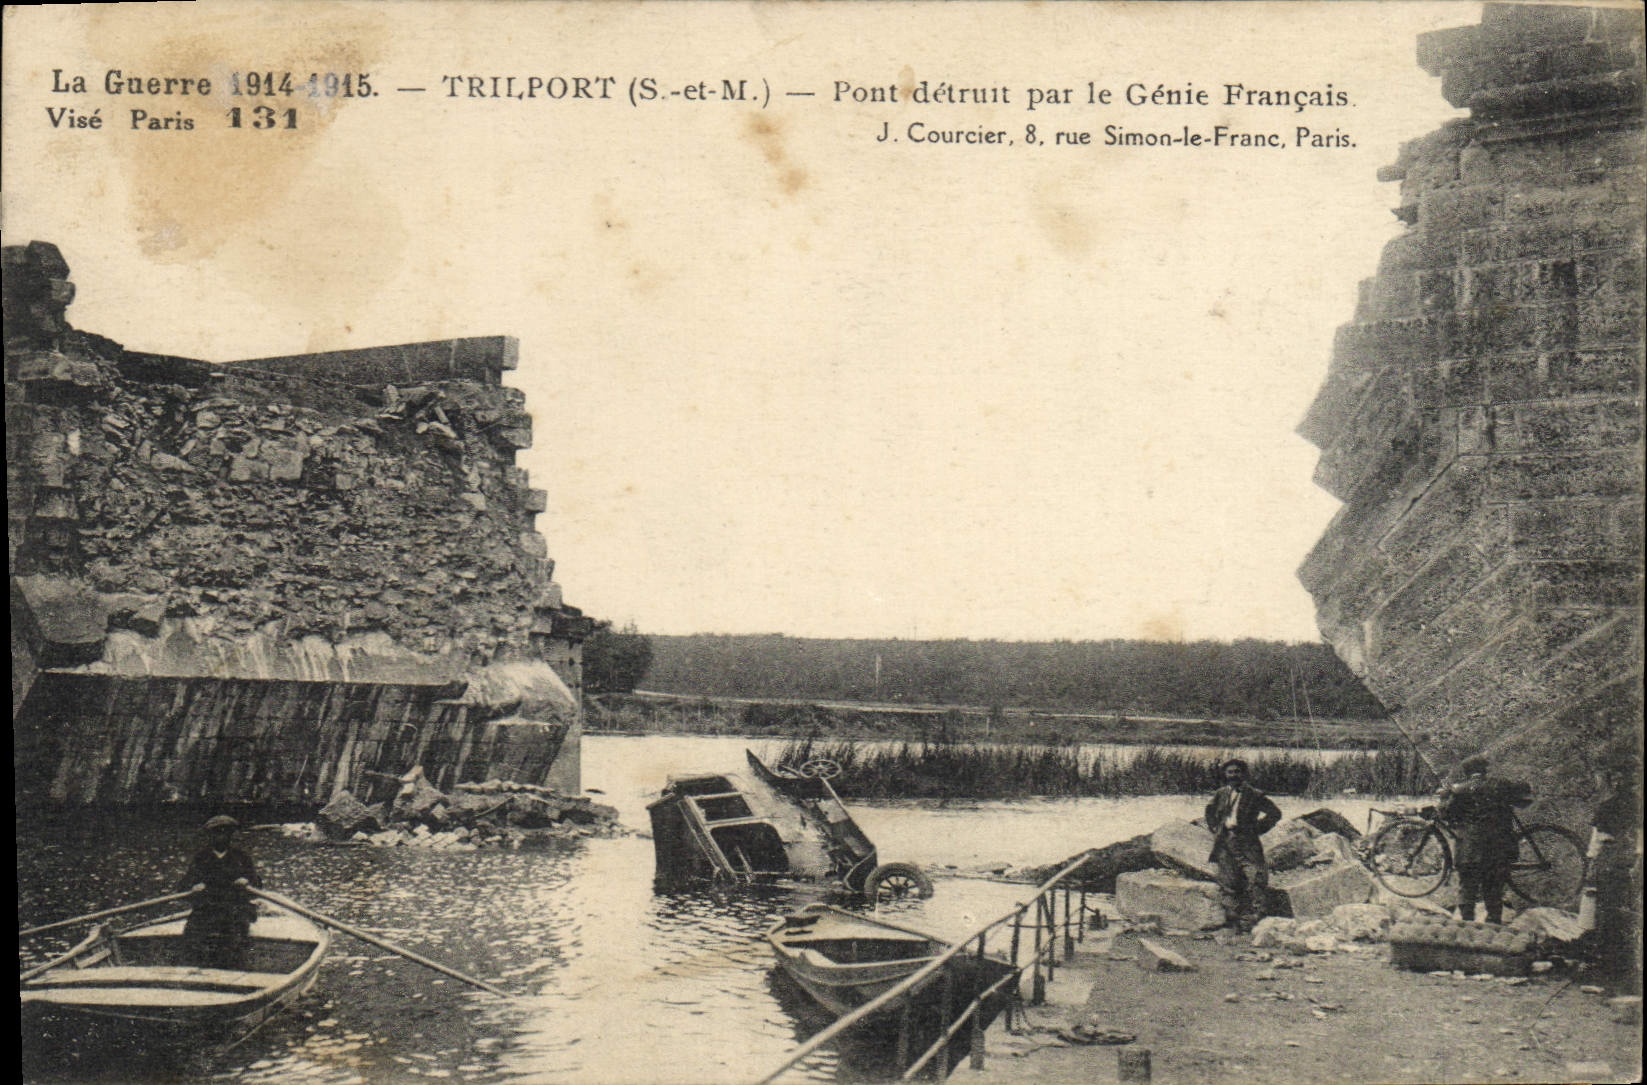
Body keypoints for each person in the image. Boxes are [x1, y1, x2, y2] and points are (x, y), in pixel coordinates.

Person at [1438, 755, 1531, 925]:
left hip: (1469, 849)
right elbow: (1523, 799)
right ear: (1484, 770)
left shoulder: (1460, 790)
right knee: (1494, 891)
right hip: (1498, 849)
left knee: (1467, 889)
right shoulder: (1500, 784)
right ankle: (1493, 925)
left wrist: (1445, 796)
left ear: (1467, 772)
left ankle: (1466, 925)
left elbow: (1445, 814)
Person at [1205, 758, 1282, 933]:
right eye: (1230, 772)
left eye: (1237, 771)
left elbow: (1275, 813)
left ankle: (1256, 918)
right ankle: (1232, 919)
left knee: (1255, 876)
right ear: (1225, 774)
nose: (1233, 775)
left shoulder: (1255, 794)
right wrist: (1216, 828)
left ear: (1244, 774)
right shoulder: (1221, 793)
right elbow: (1209, 811)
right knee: (1228, 878)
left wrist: (1256, 829)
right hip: (1225, 841)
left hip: (1247, 841)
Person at [177, 815, 262, 969]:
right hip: (207, 908)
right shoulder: (201, 858)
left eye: (225, 832)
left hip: (235, 907)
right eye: (217, 833)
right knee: (191, 934)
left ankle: (235, 968)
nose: (221, 836)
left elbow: (257, 886)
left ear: (230, 835)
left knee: (235, 935)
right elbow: (183, 886)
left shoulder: (241, 857)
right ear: (210, 836)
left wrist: (246, 882)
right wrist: (194, 886)